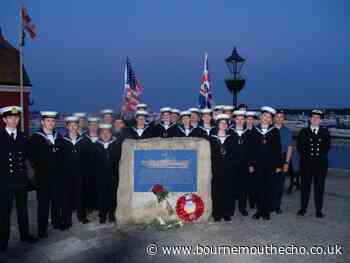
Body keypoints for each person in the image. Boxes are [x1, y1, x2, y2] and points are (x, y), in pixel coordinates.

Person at [0, 106, 38, 252]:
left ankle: (25, 234)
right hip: (4, 182)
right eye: (10, 117)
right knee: (4, 213)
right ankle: (3, 240)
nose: (14, 120)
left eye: (16, 117)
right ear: (4, 120)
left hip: (21, 181)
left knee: (23, 210)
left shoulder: (23, 136)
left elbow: (30, 156)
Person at [28, 111, 64, 238]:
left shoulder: (58, 137)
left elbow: (62, 156)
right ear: (42, 122)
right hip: (43, 177)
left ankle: (56, 222)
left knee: (56, 201)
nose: (51, 123)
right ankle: (42, 229)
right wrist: (39, 169)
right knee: (43, 204)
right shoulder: (35, 138)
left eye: (53, 121)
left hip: (57, 177)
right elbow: (31, 157)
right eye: (48, 120)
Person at [249, 106, 282, 220]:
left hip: (270, 166)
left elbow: (278, 150)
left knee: (269, 188)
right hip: (257, 166)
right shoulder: (254, 131)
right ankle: (259, 210)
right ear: (261, 117)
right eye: (264, 115)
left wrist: (278, 165)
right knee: (258, 188)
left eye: (268, 116)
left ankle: (266, 211)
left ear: (270, 119)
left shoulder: (275, 132)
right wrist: (251, 164)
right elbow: (251, 150)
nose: (266, 118)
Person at [297, 110, 331, 218]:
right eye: (313, 117)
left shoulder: (325, 132)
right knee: (305, 187)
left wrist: (317, 157)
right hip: (306, 164)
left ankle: (318, 210)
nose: (315, 119)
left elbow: (326, 148)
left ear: (320, 120)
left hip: (320, 165)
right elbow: (300, 148)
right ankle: (303, 208)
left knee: (319, 188)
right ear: (309, 119)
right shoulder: (303, 132)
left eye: (318, 117)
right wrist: (309, 157)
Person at [61, 116, 88, 227]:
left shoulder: (83, 140)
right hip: (67, 174)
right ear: (67, 126)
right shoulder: (61, 140)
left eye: (75, 125)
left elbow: (88, 157)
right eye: (70, 125)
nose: (73, 127)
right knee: (66, 196)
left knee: (80, 194)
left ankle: (82, 216)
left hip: (80, 173)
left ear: (78, 126)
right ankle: (67, 220)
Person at [209, 114, 235, 221]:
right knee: (216, 191)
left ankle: (227, 213)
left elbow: (235, 154)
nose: (223, 125)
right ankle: (217, 214)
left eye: (225, 123)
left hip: (228, 169)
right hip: (216, 169)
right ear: (217, 124)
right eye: (221, 123)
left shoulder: (231, 138)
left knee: (228, 191)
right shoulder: (211, 138)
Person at [95, 124, 122, 223]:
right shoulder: (95, 146)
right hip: (100, 176)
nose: (105, 135)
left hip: (113, 175)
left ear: (111, 134)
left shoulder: (116, 145)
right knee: (101, 196)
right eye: (103, 133)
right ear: (99, 134)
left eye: (108, 132)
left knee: (112, 196)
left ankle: (111, 214)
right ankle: (102, 215)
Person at [229, 110, 250, 216]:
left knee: (243, 187)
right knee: (232, 187)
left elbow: (252, 151)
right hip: (232, 164)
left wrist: (250, 164)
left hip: (244, 165)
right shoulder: (230, 132)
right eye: (237, 119)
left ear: (245, 120)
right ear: (234, 120)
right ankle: (231, 209)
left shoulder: (248, 132)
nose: (240, 121)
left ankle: (242, 208)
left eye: (242, 119)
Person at [273, 110, 293, 214]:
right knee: (269, 183)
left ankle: (277, 205)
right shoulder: (269, 130)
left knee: (280, 184)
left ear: (283, 119)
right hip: (270, 158)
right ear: (274, 118)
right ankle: (268, 204)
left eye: (281, 117)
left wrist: (286, 163)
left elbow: (289, 148)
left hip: (282, 157)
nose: (279, 118)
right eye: (277, 116)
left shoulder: (287, 131)